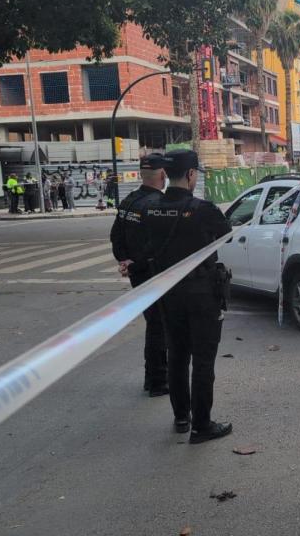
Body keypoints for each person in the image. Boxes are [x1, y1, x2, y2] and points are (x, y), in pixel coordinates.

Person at [142, 149, 233, 443]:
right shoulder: (204, 209)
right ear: (191, 175)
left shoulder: (150, 208)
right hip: (201, 294)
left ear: (166, 174)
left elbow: (144, 248)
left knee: (177, 356)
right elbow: (225, 234)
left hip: (168, 294)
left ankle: (182, 417)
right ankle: (201, 426)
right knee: (203, 360)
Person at [110, 153, 169, 397]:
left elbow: (116, 236)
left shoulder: (129, 202)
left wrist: (124, 261)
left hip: (137, 274)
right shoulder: (158, 205)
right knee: (160, 327)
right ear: (163, 175)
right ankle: (157, 381)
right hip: (152, 273)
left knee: (154, 324)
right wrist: (135, 263)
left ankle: (152, 377)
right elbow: (157, 247)